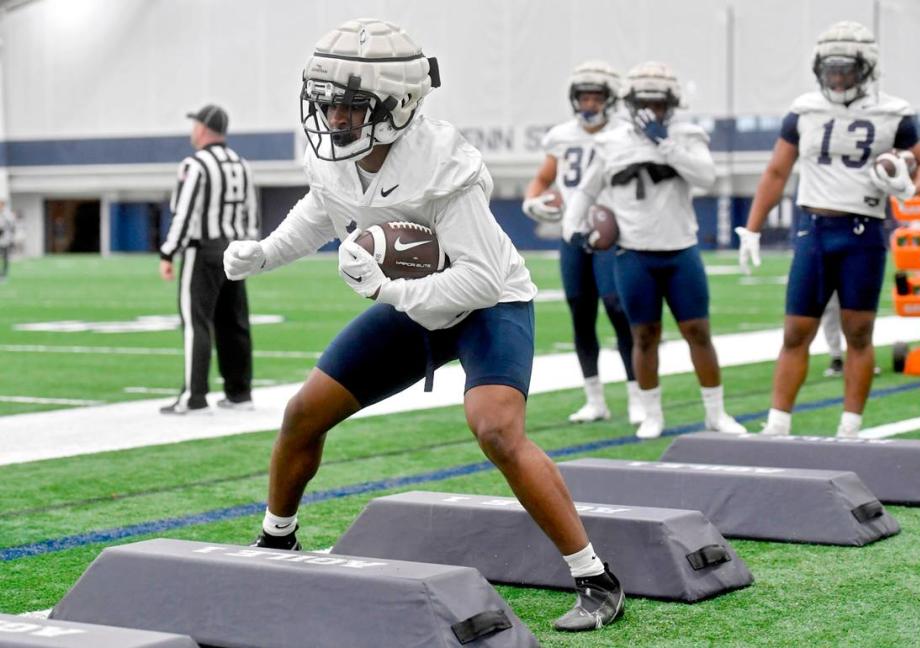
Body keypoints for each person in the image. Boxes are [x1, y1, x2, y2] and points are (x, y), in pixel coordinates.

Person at [222, 19, 624, 632]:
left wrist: (388, 289)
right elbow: (323, 208)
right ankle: (278, 539)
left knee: (495, 430)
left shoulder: (441, 160)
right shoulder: (336, 153)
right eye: (327, 101)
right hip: (416, 302)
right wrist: (267, 252)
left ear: (398, 104)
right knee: (304, 412)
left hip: (489, 305)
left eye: (351, 104)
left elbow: (482, 280)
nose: (333, 117)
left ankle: (596, 576)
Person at [736, 21, 920, 438]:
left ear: (867, 69)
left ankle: (850, 427)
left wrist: (909, 185)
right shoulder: (804, 109)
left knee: (858, 333)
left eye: (846, 70)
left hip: (864, 231)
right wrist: (751, 228)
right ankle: (777, 424)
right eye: (831, 69)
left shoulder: (893, 112)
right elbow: (776, 170)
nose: (837, 77)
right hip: (814, 228)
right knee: (796, 331)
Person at [566, 62, 747, 439]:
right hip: (634, 253)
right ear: (631, 102)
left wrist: (665, 143)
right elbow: (586, 189)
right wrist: (572, 227)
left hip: (680, 251)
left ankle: (716, 412)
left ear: (672, 103)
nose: (653, 110)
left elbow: (706, 176)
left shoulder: (688, 136)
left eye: (660, 103)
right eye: (646, 103)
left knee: (698, 331)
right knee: (643, 335)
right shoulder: (612, 140)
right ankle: (651, 413)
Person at [523, 61, 643, 425]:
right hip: (572, 233)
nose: (589, 104)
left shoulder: (626, 132)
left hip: (612, 231)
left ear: (610, 100)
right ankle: (595, 399)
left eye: (596, 97)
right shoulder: (561, 135)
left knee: (617, 308)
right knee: (581, 312)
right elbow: (543, 178)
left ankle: (639, 394)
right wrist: (532, 200)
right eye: (584, 97)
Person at [159, 104, 259, 415]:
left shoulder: (196, 164)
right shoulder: (242, 164)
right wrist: (248, 250)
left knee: (196, 323)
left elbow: (184, 211)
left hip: (202, 251)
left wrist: (168, 251)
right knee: (234, 322)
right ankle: (240, 392)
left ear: (202, 129)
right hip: (234, 251)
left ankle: (194, 396)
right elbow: (252, 214)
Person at [0, 201, 15, 283]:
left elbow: (11, 227)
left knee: (5, 258)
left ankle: (4, 274)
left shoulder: (8, 215)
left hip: (5, 239)